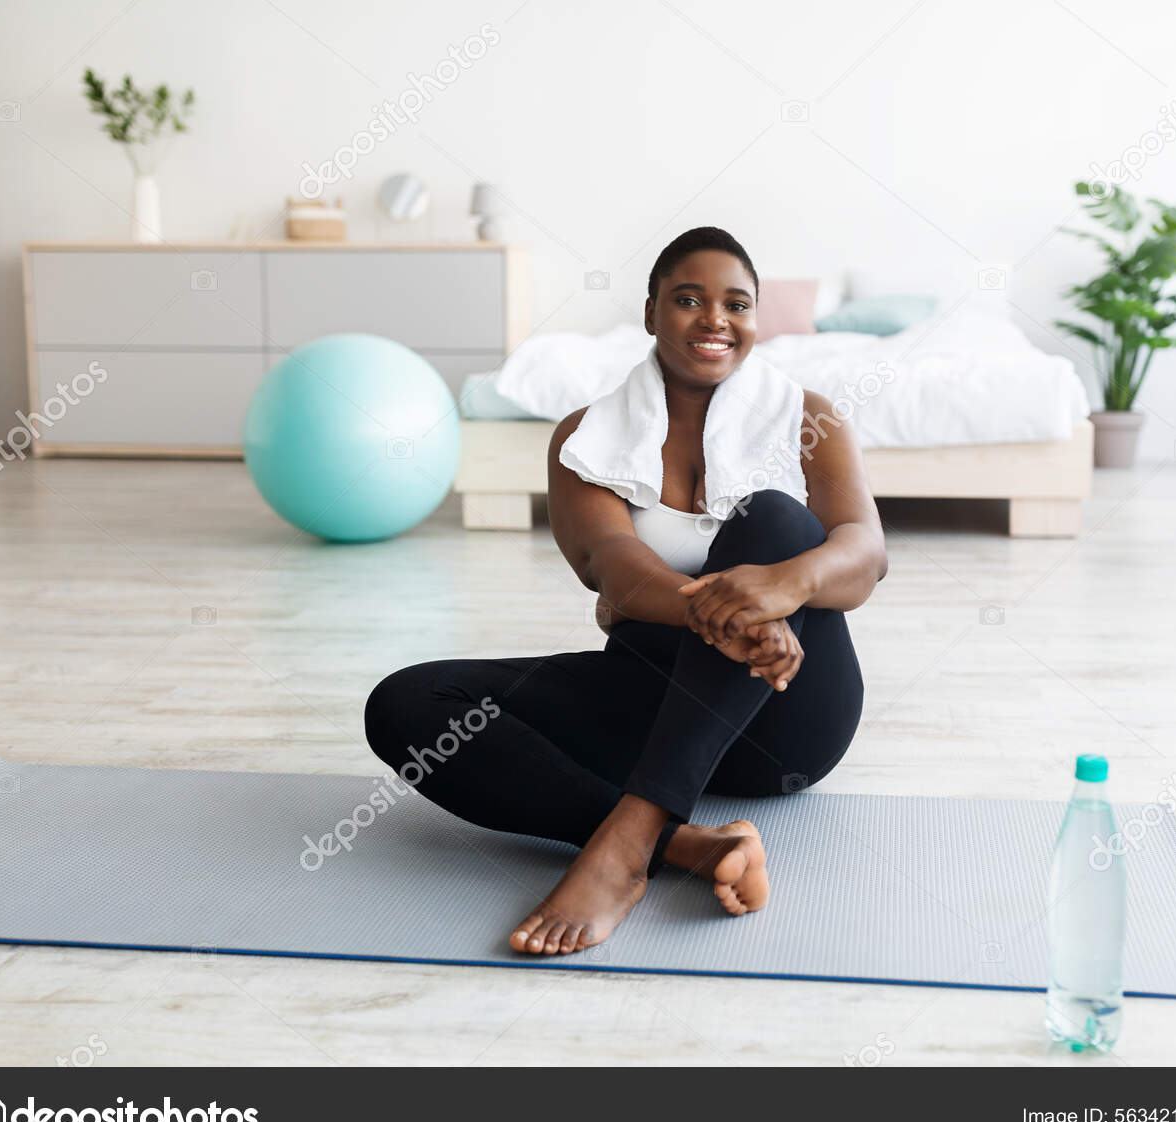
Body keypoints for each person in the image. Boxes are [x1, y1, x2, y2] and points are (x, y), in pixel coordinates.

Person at [364, 226, 887, 955]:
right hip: (653, 703)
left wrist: (780, 585)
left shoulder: (812, 417)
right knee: (407, 704)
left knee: (772, 517)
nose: (714, 319)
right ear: (649, 314)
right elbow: (613, 564)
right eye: (687, 299)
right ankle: (689, 845)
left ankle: (625, 846)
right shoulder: (586, 438)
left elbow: (864, 554)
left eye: (736, 303)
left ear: (756, 321)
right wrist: (727, 616)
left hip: (787, 717)